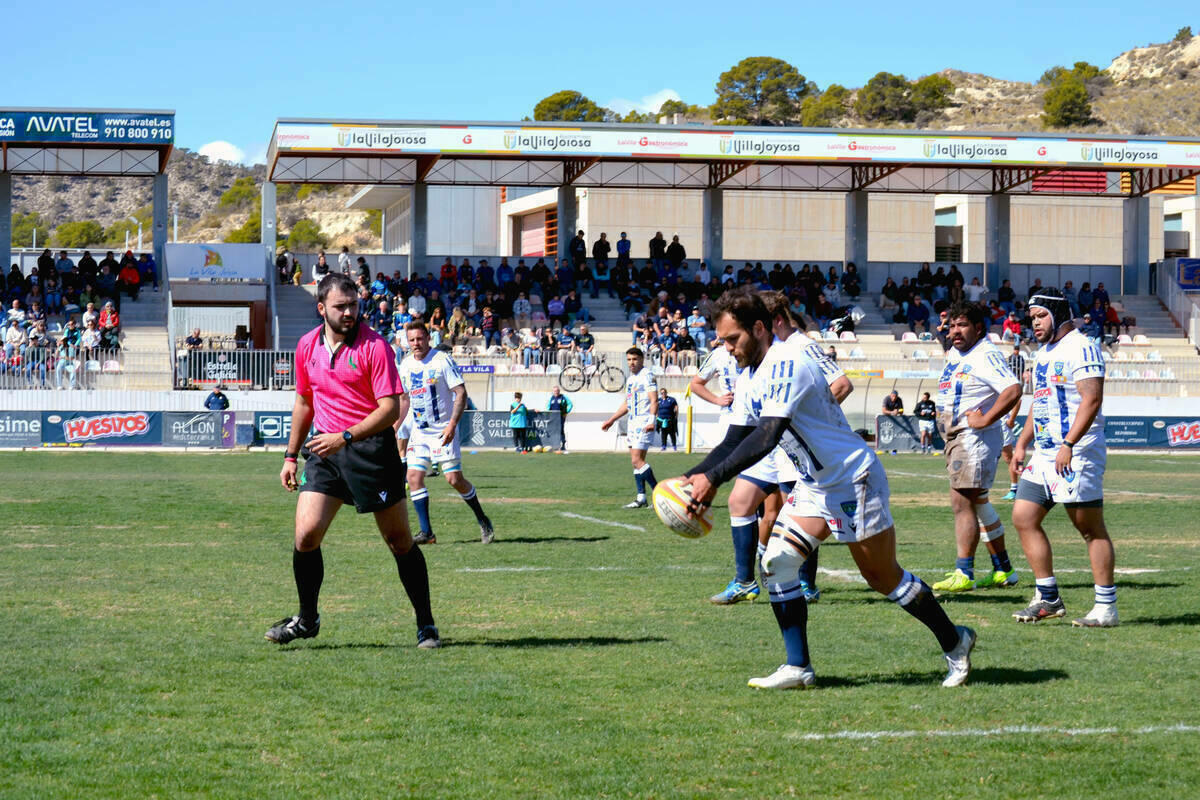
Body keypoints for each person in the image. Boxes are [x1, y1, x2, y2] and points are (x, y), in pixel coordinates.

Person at [676, 288, 975, 689]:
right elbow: (736, 438)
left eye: (733, 339)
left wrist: (712, 480)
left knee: (884, 578)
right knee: (777, 563)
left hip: (852, 478)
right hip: (815, 485)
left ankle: (955, 640)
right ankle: (798, 666)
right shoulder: (749, 374)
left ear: (760, 328)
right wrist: (692, 476)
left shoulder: (788, 361)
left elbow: (766, 436)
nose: (727, 349)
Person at [266, 273, 439, 649]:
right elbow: (304, 402)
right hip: (325, 454)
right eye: (340, 306)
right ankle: (307, 619)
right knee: (306, 535)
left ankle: (426, 624)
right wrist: (291, 455)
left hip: (370, 452)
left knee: (399, 541)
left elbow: (390, 409)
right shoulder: (306, 346)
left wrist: (346, 436)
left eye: (353, 305)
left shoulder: (375, 347)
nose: (349, 312)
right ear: (321, 308)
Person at [1012, 288, 1117, 627]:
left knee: (1089, 528)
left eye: (1040, 316)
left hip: (1076, 452)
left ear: (1058, 314)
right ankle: (1048, 597)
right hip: (1044, 453)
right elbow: (1039, 402)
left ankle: (1106, 607)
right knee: (1024, 516)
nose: (1035, 323)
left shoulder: (1082, 346)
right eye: (1032, 318)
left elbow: (1092, 399)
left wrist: (1069, 443)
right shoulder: (1043, 352)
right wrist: (1021, 443)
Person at [929, 302, 1023, 594]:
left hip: (973, 439)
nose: (955, 331)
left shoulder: (985, 354)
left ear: (979, 328)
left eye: (963, 325)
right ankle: (1004, 570)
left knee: (962, 502)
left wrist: (985, 419)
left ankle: (964, 571)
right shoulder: (957, 353)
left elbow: (1012, 389)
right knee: (978, 502)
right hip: (957, 436)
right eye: (953, 325)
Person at [397, 322, 495, 544]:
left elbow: (460, 393)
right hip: (420, 432)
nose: (416, 344)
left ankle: (482, 519)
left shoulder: (442, 360)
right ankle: (427, 533)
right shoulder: (405, 365)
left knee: (454, 479)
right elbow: (404, 399)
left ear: (428, 339)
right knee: (413, 477)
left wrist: (452, 425)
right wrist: (396, 425)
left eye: (420, 339)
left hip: (443, 430)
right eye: (412, 340)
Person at [601, 347, 659, 508]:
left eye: (634, 359)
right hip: (633, 422)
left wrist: (652, 420)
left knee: (637, 460)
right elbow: (627, 403)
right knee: (636, 462)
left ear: (641, 360)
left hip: (643, 422)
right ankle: (641, 497)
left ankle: (659, 494)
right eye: (629, 360)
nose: (631, 363)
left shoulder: (647, 376)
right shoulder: (631, 379)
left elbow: (654, 400)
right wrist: (612, 419)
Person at [547, 385, 573, 454]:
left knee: (560, 430)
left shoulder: (563, 397)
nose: (556, 392)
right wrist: (548, 413)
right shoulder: (552, 398)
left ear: (559, 391)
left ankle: (563, 444)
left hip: (560, 417)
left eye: (557, 391)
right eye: (555, 391)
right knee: (553, 430)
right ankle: (554, 444)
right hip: (553, 417)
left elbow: (570, 404)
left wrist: (566, 412)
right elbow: (548, 406)